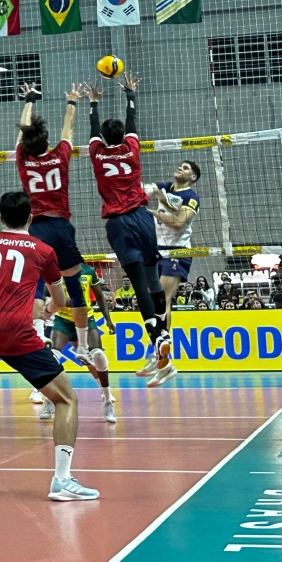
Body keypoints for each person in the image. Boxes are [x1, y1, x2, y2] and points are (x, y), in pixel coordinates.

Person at [0, 192, 99, 502]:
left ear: (0, 217)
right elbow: (60, 299)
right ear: (30, 218)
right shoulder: (43, 250)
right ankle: (62, 481)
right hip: (17, 333)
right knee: (66, 399)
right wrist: (49, 310)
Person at [86, 73, 169, 374]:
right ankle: (164, 334)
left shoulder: (97, 153)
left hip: (119, 223)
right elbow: (132, 122)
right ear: (123, 137)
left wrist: (93, 103)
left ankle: (157, 338)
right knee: (153, 279)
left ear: (103, 139)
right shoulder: (132, 149)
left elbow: (93, 129)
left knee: (138, 286)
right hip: (143, 219)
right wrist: (130, 94)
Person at [16, 83, 91, 358]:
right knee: (75, 288)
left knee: (36, 286)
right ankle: (83, 346)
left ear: (26, 144)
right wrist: (72, 102)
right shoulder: (60, 156)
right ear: (47, 142)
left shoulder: (23, 159)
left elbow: (23, 132)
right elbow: (67, 129)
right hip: (60, 226)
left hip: (36, 228)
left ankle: (38, 339)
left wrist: (29, 100)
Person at [145, 160, 202, 387]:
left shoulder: (191, 197)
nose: (181, 168)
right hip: (156, 250)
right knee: (152, 302)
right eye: (181, 165)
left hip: (177, 252)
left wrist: (153, 212)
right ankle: (158, 351)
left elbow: (178, 223)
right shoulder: (165, 187)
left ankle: (161, 355)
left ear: (193, 177)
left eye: (186, 168)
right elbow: (144, 189)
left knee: (162, 299)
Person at [43, 263, 118, 424]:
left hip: (86, 318)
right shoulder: (55, 270)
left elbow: (99, 297)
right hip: (63, 321)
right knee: (52, 357)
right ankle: (50, 400)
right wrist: (58, 303)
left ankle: (107, 400)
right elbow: (45, 294)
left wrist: (108, 320)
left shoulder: (88, 271)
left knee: (97, 355)